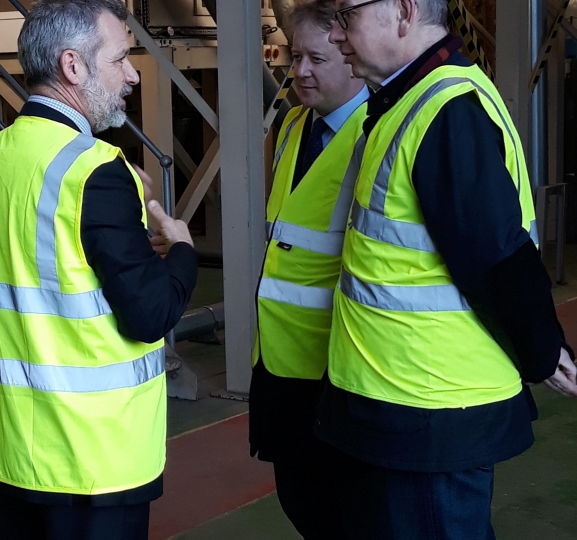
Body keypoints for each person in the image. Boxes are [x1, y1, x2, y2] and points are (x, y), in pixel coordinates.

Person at [318, 0, 577, 538]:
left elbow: (498, 255)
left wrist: (544, 350)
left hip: (432, 410)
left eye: (345, 15)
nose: (337, 33)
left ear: (404, 12)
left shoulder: (446, 108)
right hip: (402, 405)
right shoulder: (407, 100)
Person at [0, 1, 198, 539]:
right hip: (91, 460)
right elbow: (151, 312)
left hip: (9, 453)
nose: (133, 73)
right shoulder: (97, 171)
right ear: (72, 66)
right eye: (120, 58)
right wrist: (181, 251)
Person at [247, 1, 367, 538]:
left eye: (315, 58)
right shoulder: (294, 126)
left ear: (351, 55)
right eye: (296, 57)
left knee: (345, 511)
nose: (300, 71)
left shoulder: (376, 134)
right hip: (279, 360)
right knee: (300, 499)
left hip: (336, 367)